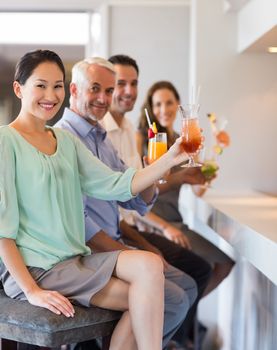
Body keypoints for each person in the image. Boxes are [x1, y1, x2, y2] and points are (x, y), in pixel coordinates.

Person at [0, 50, 190, 350]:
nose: (51, 95)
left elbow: (117, 185)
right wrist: (32, 290)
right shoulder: (5, 141)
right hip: (38, 268)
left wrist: (171, 158)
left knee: (149, 265)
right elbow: (2, 233)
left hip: (75, 260)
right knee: (144, 298)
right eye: (41, 85)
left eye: (57, 85)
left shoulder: (66, 142)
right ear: (18, 88)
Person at [56, 57, 198, 349]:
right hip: (86, 253)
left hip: (115, 243)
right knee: (173, 298)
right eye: (96, 89)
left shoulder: (101, 137)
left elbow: (133, 197)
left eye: (109, 91)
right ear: (74, 90)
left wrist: (156, 169)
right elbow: (78, 220)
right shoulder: (64, 139)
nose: (104, 98)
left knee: (187, 285)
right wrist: (129, 252)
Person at [100, 54, 213, 348]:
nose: (127, 90)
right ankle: (177, 339)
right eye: (119, 83)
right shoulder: (109, 134)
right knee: (192, 275)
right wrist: (158, 232)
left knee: (195, 274)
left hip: (129, 227)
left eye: (133, 83)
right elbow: (127, 195)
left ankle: (174, 338)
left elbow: (139, 192)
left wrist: (193, 177)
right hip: (129, 229)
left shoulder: (129, 133)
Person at [137, 80, 235, 297]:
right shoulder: (142, 140)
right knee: (190, 276)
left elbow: (197, 191)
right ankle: (183, 316)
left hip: (176, 222)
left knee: (223, 264)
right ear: (151, 109)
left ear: (178, 105)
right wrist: (165, 228)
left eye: (169, 103)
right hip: (150, 223)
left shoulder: (183, 141)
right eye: (158, 104)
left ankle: (186, 316)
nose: (164, 109)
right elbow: (136, 196)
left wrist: (205, 177)